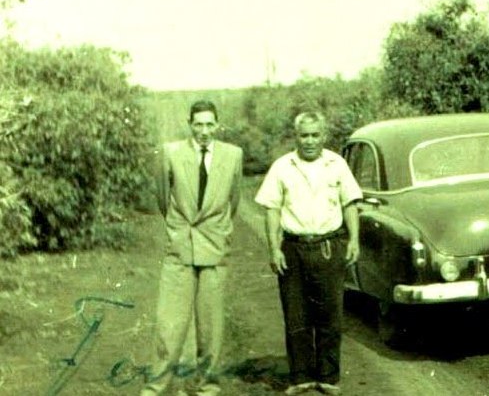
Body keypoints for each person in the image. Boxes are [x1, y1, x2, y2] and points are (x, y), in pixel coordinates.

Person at [254, 111, 362, 396]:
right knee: (296, 314)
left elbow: (350, 203)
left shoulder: (336, 164)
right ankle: (300, 377)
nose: (310, 141)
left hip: (329, 246)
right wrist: (274, 248)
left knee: (330, 314)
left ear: (323, 136)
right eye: (304, 135)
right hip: (293, 247)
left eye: (315, 135)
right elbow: (271, 209)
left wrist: (354, 240)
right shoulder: (282, 167)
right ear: (296, 137)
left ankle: (328, 377)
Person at [141, 100, 243, 396]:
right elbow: (163, 197)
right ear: (189, 124)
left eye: (210, 124)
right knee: (169, 324)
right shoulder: (171, 153)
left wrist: (219, 232)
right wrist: (177, 230)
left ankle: (208, 386)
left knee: (210, 326)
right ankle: (156, 386)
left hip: (213, 246)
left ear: (218, 125)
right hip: (180, 247)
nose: (204, 131)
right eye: (198, 124)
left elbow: (233, 201)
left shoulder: (233, 155)